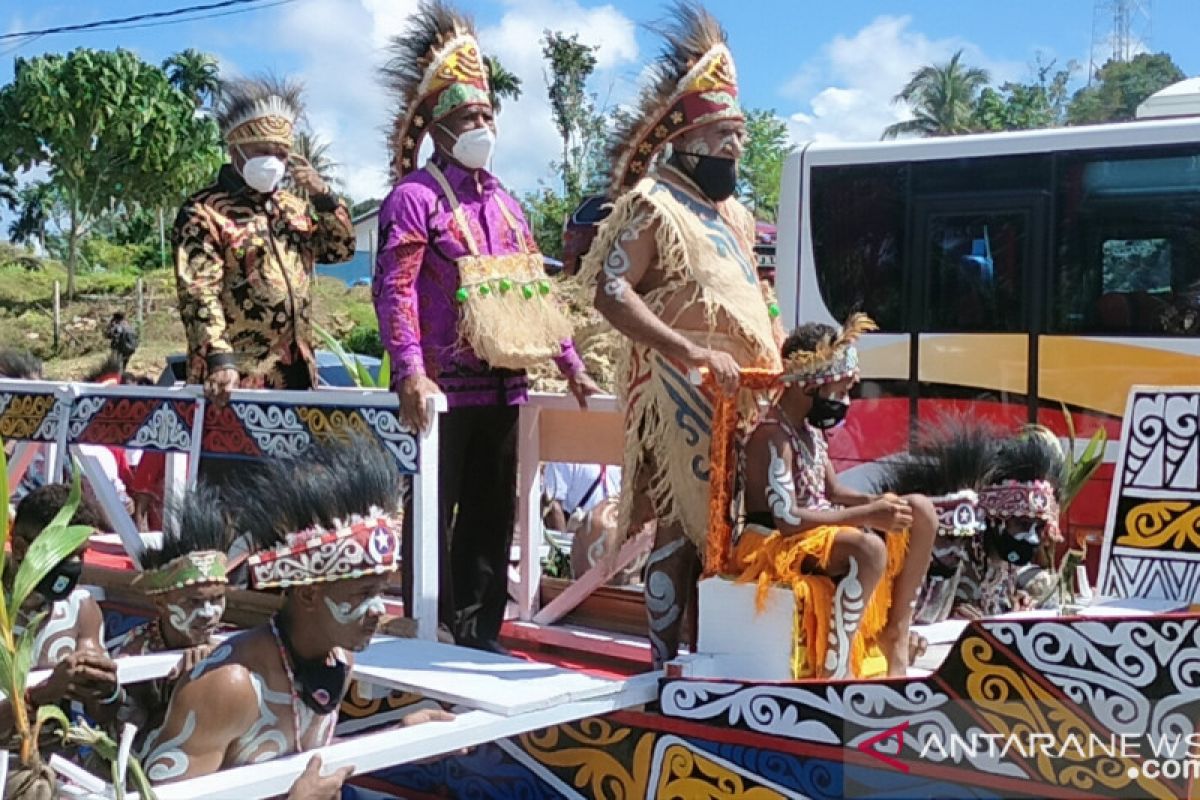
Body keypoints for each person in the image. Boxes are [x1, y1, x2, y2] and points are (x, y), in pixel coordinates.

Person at [374, 0, 600, 653]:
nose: (484, 126)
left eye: (489, 116)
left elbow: (535, 293)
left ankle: (480, 632)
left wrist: (570, 362)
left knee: (493, 514)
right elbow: (394, 291)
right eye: (471, 117)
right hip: (442, 391)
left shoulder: (508, 204)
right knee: (433, 513)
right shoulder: (412, 199)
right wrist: (410, 371)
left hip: (506, 387)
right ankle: (431, 627)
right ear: (441, 126)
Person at [575, 2, 782, 667]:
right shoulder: (651, 204)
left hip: (744, 392)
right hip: (677, 391)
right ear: (685, 140)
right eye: (723, 134)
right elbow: (609, 291)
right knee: (682, 524)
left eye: (739, 135)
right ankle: (667, 661)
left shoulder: (739, 216)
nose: (735, 147)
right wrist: (686, 349)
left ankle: (719, 653)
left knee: (736, 525)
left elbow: (758, 295)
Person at [142, 438, 453, 789]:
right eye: (364, 593)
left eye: (381, 592)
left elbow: (302, 756)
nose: (379, 609)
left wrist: (398, 739)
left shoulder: (339, 660)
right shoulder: (231, 686)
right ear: (307, 594)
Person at [737, 318, 937, 678]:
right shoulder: (772, 437)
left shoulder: (809, 432)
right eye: (840, 390)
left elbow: (832, 493)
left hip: (816, 530)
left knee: (922, 510)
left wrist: (883, 504)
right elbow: (788, 520)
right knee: (869, 549)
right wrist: (868, 516)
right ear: (810, 385)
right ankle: (836, 668)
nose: (845, 402)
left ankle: (896, 633)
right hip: (775, 543)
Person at [173, 75, 355, 410]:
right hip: (234, 377)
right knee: (231, 461)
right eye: (263, 151)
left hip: (296, 372)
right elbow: (199, 291)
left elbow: (339, 249)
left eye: (281, 153)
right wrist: (219, 358)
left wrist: (325, 198)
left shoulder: (294, 208)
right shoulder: (204, 212)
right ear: (236, 149)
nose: (273, 161)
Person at [877, 421, 1067, 622]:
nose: (1031, 538)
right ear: (996, 519)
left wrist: (1016, 601)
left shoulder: (1001, 559)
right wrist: (954, 610)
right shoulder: (959, 546)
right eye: (1021, 525)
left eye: (1038, 528)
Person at [108, 484, 230, 747]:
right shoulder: (136, 654)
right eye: (194, 602)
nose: (208, 613)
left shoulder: (233, 646)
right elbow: (126, 736)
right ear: (160, 602)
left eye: (216, 599)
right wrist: (188, 686)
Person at [0, 484, 120, 737]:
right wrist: (42, 695)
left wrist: (105, 688)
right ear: (21, 549)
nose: (74, 565)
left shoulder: (81, 608)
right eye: (63, 554)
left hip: (54, 759)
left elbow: (105, 712)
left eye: (81, 554)